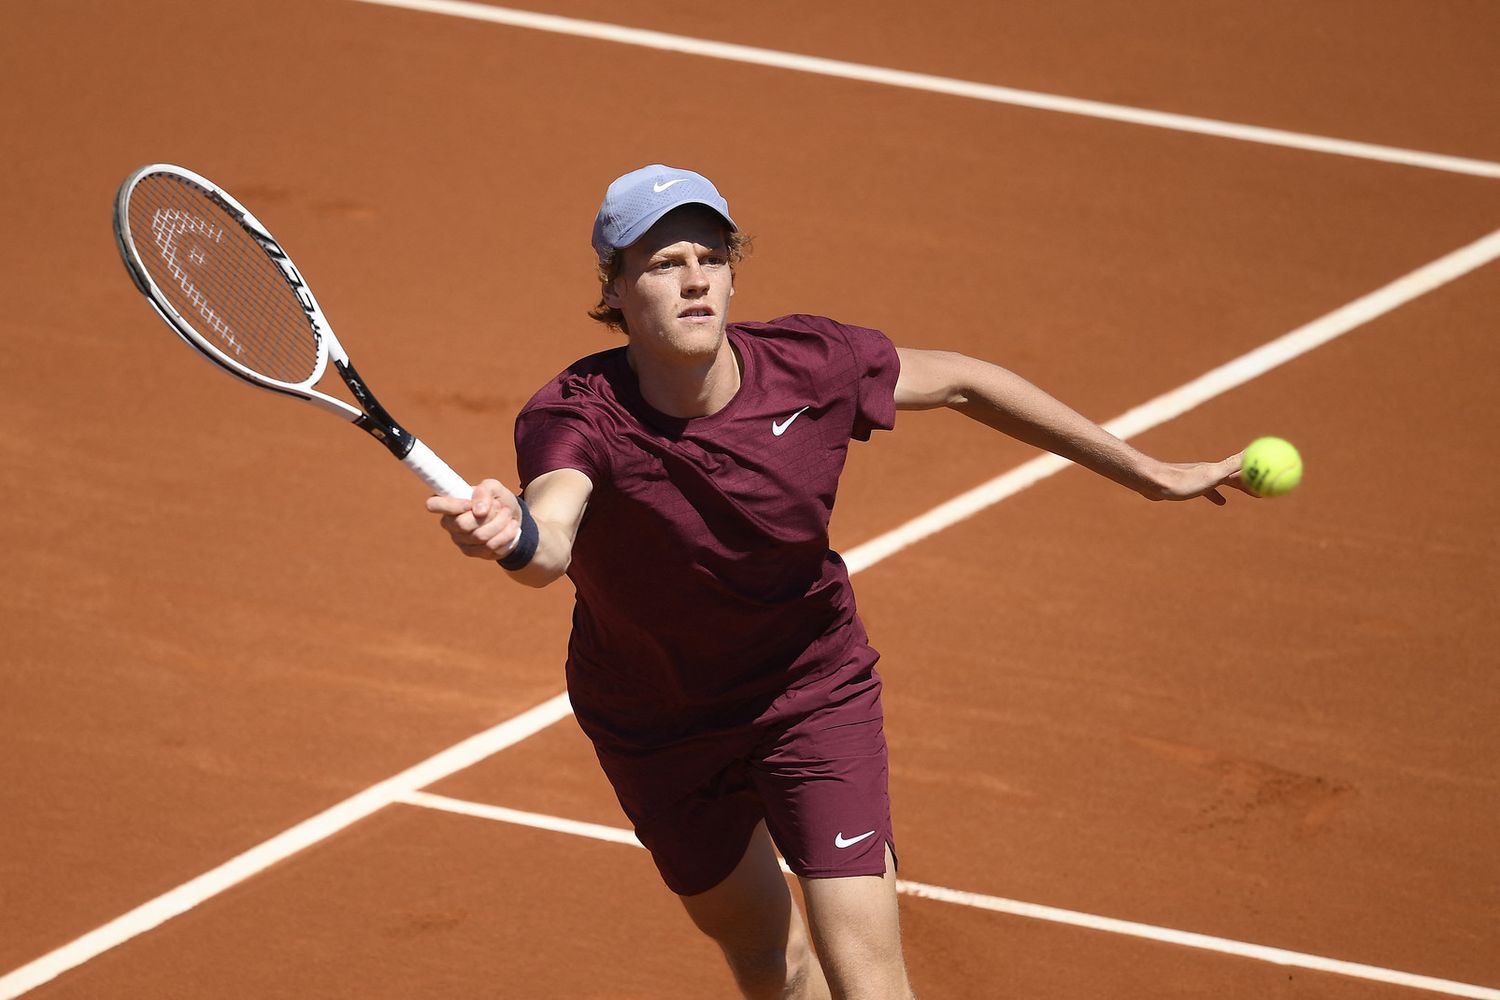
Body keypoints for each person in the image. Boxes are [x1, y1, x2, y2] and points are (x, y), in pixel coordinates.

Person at [426, 164, 1247, 999]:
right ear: (616, 286)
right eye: (666, 262)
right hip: (655, 722)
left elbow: (964, 378)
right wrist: (509, 532)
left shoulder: (810, 364)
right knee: (770, 963)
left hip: (809, 693)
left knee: (869, 980)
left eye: (712, 256)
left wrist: (1146, 471)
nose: (696, 279)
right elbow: (551, 536)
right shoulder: (575, 414)